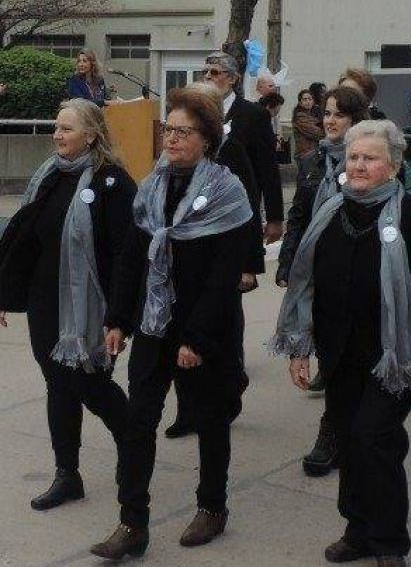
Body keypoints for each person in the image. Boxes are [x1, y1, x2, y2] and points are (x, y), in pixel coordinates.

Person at [272, 119, 411, 567]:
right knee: (347, 437)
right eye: (353, 157)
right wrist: (300, 348)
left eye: (370, 158)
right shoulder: (330, 212)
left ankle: (390, 541)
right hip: (339, 353)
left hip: (395, 356)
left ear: (394, 167)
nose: (358, 165)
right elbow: (307, 287)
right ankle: (357, 529)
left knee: (374, 438)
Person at [90, 87, 253, 559]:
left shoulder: (227, 191)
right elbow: (130, 258)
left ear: (207, 138)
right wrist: (119, 317)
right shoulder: (152, 187)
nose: (172, 139)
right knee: (139, 423)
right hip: (153, 326)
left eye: (183, 131)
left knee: (210, 420)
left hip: (204, 332)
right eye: (168, 130)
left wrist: (197, 338)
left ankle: (212, 506)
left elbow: (224, 276)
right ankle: (132, 523)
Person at [0, 98, 134, 511]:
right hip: (46, 302)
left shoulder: (113, 183)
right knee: (57, 384)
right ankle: (67, 474)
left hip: (90, 309)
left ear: (91, 134)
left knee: (88, 384)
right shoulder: (50, 176)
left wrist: (118, 318)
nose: (57, 135)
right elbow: (22, 239)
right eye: (57, 128)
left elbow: (125, 257)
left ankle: (134, 447)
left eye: (66, 129)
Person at [162, 82, 266, 440]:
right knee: (181, 334)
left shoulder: (230, 151)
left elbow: (248, 207)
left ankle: (232, 381)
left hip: (224, 263)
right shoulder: (172, 157)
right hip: (182, 266)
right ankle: (187, 410)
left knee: (224, 328)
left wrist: (249, 264)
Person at [277, 86, 370, 477]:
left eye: (339, 115)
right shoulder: (313, 159)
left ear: (356, 122)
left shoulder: (366, 161)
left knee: (356, 358)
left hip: (359, 273)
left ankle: (353, 429)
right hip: (320, 272)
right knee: (332, 355)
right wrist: (287, 262)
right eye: (327, 114)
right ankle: (330, 433)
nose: (330, 121)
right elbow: (299, 213)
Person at [204, 51, 284, 245]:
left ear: (232, 78)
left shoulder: (253, 114)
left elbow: (268, 168)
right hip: (202, 209)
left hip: (241, 208)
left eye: (215, 72)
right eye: (205, 72)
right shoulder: (197, 112)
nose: (207, 77)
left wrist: (274, 217)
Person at [292, 89, 324, 160]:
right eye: (305, 99)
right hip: (305, 154)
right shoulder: (300, 117)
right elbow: (317, 133)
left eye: (310, 99)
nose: (308, 102)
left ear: (313, 101)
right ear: (300, 102)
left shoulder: (313, 114)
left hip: (311, 153)